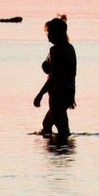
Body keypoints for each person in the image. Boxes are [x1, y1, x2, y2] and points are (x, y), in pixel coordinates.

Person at [32, 16, 75, 145]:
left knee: (63, 130)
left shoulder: (55, 50)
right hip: (68, 91)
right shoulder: (70, 48)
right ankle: (55, 148)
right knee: (47, 124)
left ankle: (63, 152)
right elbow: (70, 73)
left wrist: (40, 94)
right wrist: (72, 93)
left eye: (49, 32)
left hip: (58, 93)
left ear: (56, 33)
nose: (48, 35)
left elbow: (55, 75)